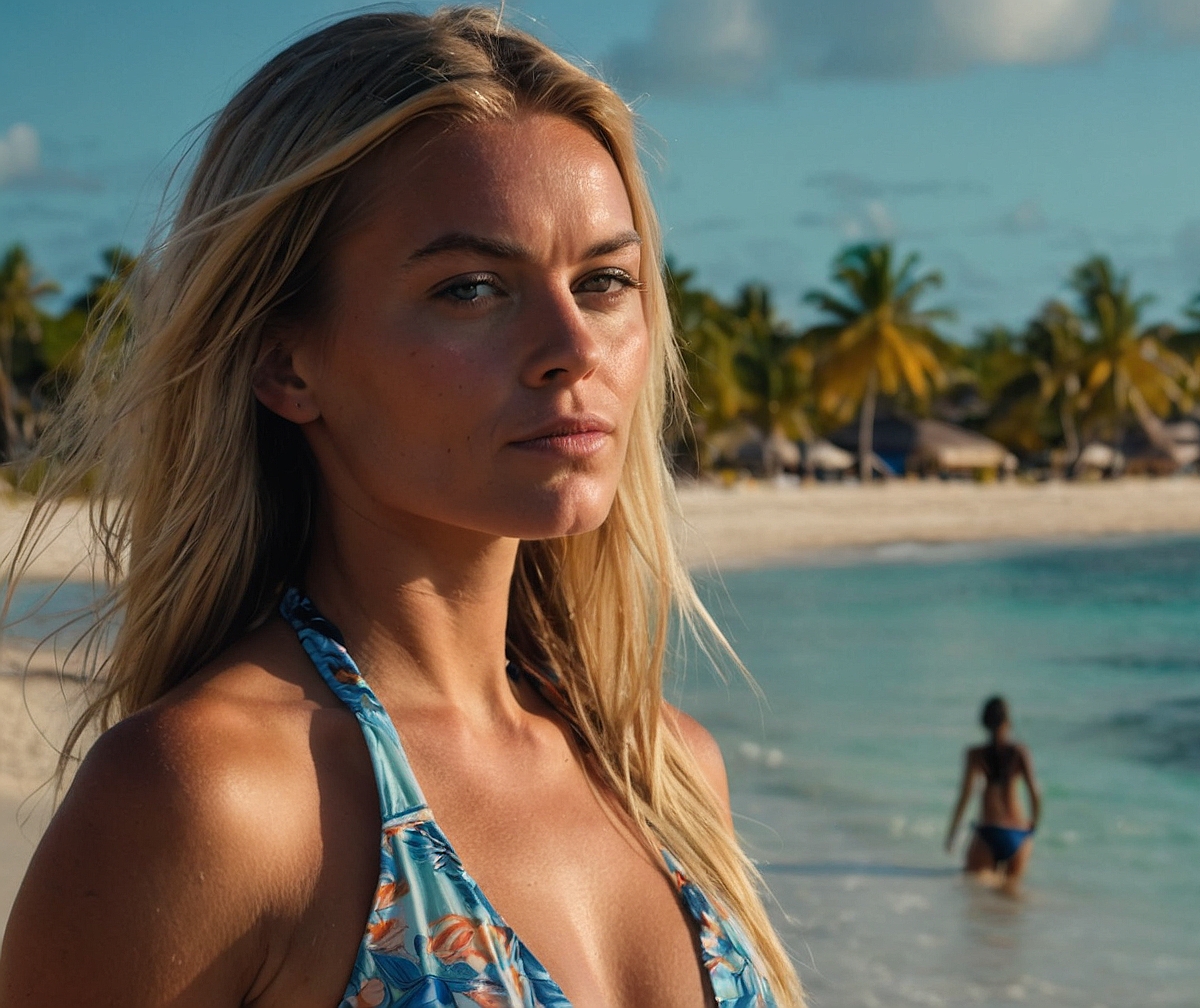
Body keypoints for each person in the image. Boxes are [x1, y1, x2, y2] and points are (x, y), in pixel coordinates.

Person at [0, 9, 802, 1007]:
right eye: (472, 289)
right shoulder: (215, 800)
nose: (573, 347)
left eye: (604, 280)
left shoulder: (666, 771)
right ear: (285, 362)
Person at [944, 696, 1042, 892]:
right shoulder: (1020, 752)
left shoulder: (975, 754)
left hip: (988, 831)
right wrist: (1032, 828)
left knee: (976, 894)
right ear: (1008, 722)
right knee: (1011, 896)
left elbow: (965, 797)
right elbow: (1035, 794)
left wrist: (952, 834)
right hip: (1018, 833)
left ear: (984, 723)